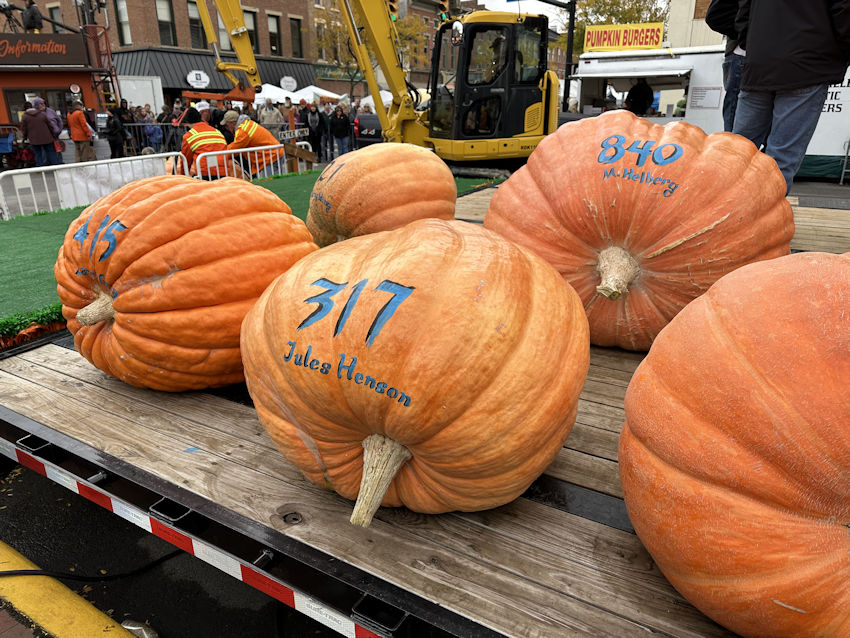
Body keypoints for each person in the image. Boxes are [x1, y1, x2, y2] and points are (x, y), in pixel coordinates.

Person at [731, 0, 850, 194]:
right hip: (807, 66)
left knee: (736, 152)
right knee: (781, 159)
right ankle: (761, 221)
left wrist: (754, 45)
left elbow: (742, 12)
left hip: (760, 65)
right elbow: (844, 13)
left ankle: (721, 216)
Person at [706, 0, 746, 132]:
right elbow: (714, 17)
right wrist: (745, 35)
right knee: (735, 112)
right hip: (741, 54)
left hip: (742, 54)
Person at [223, 110, 285, 177]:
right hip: (275, 153)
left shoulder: (243, 131)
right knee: (276, 180)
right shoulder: (247, 124)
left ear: (232, 123)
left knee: (270, 183)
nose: (227, 128)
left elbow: (234, 149)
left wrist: (220, 154)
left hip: (271, 157)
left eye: (227, 125)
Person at [178, 107, 232, 179]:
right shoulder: (216, 131)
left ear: (187, 123)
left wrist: (183, 176)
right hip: (223, 172)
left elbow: (185, 160)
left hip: (205, 174)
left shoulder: (189, 135)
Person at [21, 100, 59, 166]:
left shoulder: (25, 117)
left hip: (34, 139)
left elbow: (24, 129)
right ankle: (55, 167)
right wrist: (53, 135)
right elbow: (50, 125)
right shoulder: (42, 114)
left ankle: (40, 169)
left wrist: (24, 138)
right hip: (47, 137)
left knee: (38, 154)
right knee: (51, 152)